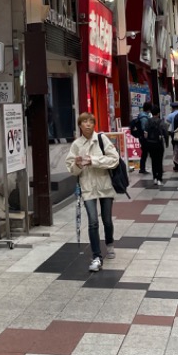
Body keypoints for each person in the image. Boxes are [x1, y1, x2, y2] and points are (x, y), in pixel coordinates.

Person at [67, 112, 119, 272]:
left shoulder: (102, 140)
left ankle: (109, 243)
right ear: (80, 125)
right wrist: (78, 164)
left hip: (104, 185)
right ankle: (96, 256)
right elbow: (71, 169)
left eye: (90, 121)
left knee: (107, 220)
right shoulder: (76, 145)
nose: (88, 124)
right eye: (84, 122)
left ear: (94, 124)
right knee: (92, 221)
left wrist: (94, 161)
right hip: (87, 187)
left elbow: (114, 159)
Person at [143, 107, 168, 187]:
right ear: (158, 113)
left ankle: (155, 178)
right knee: (159, 161)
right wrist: (166, 143)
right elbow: (165, 133)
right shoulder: (161, 122)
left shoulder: (148, 122)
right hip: (159, 144)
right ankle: (159, 179)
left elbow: (145, 133)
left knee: (153, 161)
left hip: (150, 144)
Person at [130, 101, 152, 175]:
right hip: (143, 137)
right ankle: (142, 168)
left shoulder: (141, 114)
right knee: (145, 152)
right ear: (149, 109)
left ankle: (142, 168)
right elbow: (144, 128)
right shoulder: (144, 117)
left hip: (141, 137)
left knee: (145, 152)